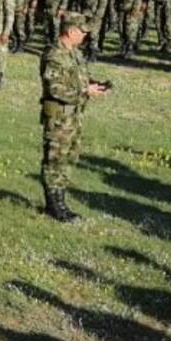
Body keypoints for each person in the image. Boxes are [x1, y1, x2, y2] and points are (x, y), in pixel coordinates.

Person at [39, 13, 110, 222]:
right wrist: (86, 92)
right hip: (60, 117)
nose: (85, 36)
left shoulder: (75, 53)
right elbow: (55, 89)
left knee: (68, 159)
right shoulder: (54, 55)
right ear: (71, 31)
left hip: (74, 116)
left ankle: (61, 201)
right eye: (83, 31)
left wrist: (93, 84)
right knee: (55, 160)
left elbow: (79, 79)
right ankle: (54, 206)